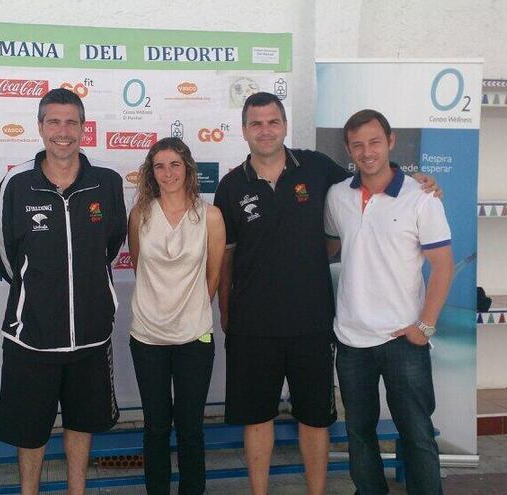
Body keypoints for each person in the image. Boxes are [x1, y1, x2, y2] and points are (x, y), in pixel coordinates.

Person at [213, 92, 440, 495]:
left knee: (316, 418)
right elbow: (228, 259)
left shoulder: (316, 168)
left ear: (284, 125)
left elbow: (373, 175)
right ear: (244, 130)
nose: (265, 130)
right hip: (253, 326)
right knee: (256, 419)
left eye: (272, 121)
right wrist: (228, 315)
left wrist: (420, 180)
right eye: (256, 123)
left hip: (313, 323)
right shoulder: (231, 185)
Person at [0, 88, 127, 495]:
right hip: (31, 337)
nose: (63, 132)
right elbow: (5, 256)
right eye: (54, 122)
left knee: (82, 424)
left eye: (71, 122)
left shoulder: (107, 183)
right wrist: (41, 293)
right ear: (40, 127)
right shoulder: (17, 183)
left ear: (84, 128)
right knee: (30, 433)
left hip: (90, 334)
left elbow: (111, 245)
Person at [325, 109, 453, 495]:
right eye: (358, 144)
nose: (367, 152)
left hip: (403, 339)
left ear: (391, 141)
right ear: (348, 148)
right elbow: (330, 245)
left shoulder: (422, 197)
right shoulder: (337, 196)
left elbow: (443, 266)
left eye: (374, 142)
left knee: (417, 437)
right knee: (360, 436)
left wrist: (425, 326)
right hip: (351, 341)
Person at [127, 137, 225, 494]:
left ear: (188, 168)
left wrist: (189, 309)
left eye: (175, 165)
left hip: (194, 337)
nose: (168, 173)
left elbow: (213, 276)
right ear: (151, 173)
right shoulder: (140, 214)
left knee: (190, 427)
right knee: (155, 426)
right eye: (159, 166)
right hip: (147, 337)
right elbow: (140, 267)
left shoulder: (210, 215)